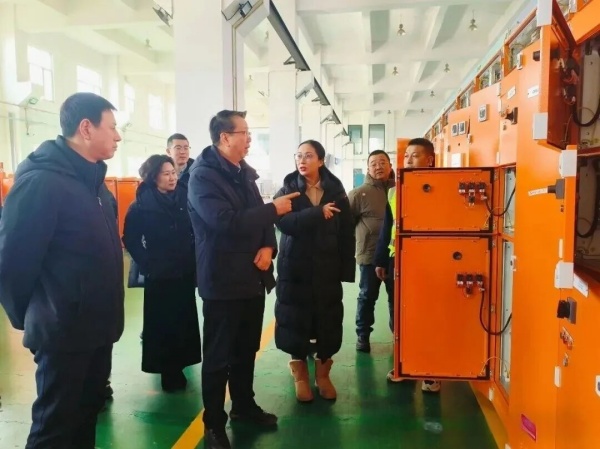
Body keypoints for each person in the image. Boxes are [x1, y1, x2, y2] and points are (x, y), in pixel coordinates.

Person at [0, 92, 125, 448]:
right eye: (112, 127)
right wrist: (32, 318)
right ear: (86, 128)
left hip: (97, 328)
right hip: (63, 332)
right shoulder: (42, 182)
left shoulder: (96, 184)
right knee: (54, 427)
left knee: (86, 416)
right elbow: (12, 261)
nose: (117, 136)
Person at [187, 110, 300, 449]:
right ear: (225, 137)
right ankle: (213, 423)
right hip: (222, 280)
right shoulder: (203, 177)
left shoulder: (243, 173)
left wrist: (268, 246)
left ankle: (243, 406)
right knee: (218, 356)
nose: (249, 138)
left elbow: (258, 216)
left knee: (246, 348)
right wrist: (274, 210)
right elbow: (224, 222)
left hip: (251, 277)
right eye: (244, 133)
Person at [274, 140, 355, 403]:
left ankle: (323, 375)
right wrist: (318, 213)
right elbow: (284, 223)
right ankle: (300, 375)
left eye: (308, 156)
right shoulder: (288, 189)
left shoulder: (336, 191)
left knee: (327, 320)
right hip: (294, 268)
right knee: (294, 319)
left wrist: (346, 269)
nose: (302, 160)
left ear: (321, 161)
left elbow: (346, 232)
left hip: (326, 268)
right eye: (298, 155)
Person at [122, 155, 201, 391]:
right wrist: (148, 263)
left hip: (184, 271)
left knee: (184, 319)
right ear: (153, 176)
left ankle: (182, 362)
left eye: (173, 173)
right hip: (159, 275)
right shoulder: (141, 204)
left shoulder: (185, 197)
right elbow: (130, 238)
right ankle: (168, 369)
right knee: (163, 323)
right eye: (166, 174)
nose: (172, 178)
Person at [374, 137, 441, 393]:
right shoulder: (395, 190)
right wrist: (381, 259)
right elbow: (387, 228)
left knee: (427, 315)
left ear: (430, 159)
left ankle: (431, 371)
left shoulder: (441, 187)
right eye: (407, 156)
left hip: (429, 262)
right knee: (399, 314)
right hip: (398, 260)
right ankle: (405, 365)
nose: (409, 160)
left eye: (415, 155)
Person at [348, 150, 394, 353]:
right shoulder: (358, 194)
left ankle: (398, 335)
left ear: (390, 166)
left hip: (395, 255)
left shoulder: (400, 189)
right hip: (369, 255)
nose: (378, 166)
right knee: (367, 296)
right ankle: (363, 335)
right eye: (373, 163)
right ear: (368, 168)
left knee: (397, 298)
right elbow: (346, 225)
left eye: (382, 162)